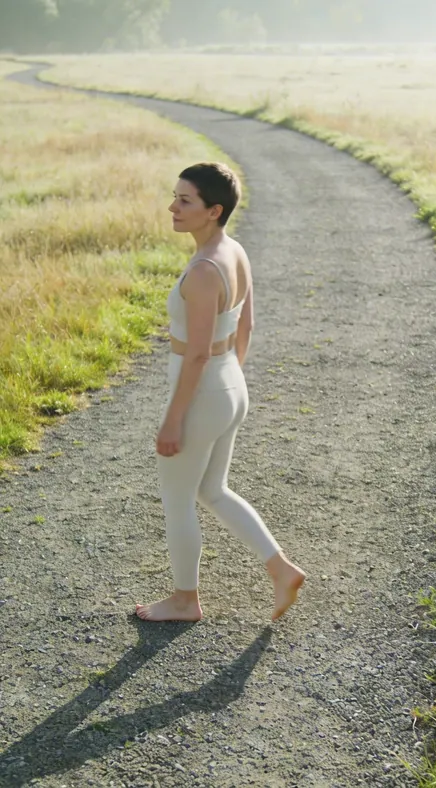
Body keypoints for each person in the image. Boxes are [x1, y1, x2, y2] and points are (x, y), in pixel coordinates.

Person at [135, 162, 306, 623]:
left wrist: (175, 419)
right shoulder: (234, 252)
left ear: (214, 210)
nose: (173, 206)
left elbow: (195, 356)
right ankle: (281, 568)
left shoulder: (206, 269)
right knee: (213, 489)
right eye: (174, 196)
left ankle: (184, 600)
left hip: (206, 390)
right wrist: (228, 385)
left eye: (184, 200)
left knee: (177, 498)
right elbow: (245, 326)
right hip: (229, 384)